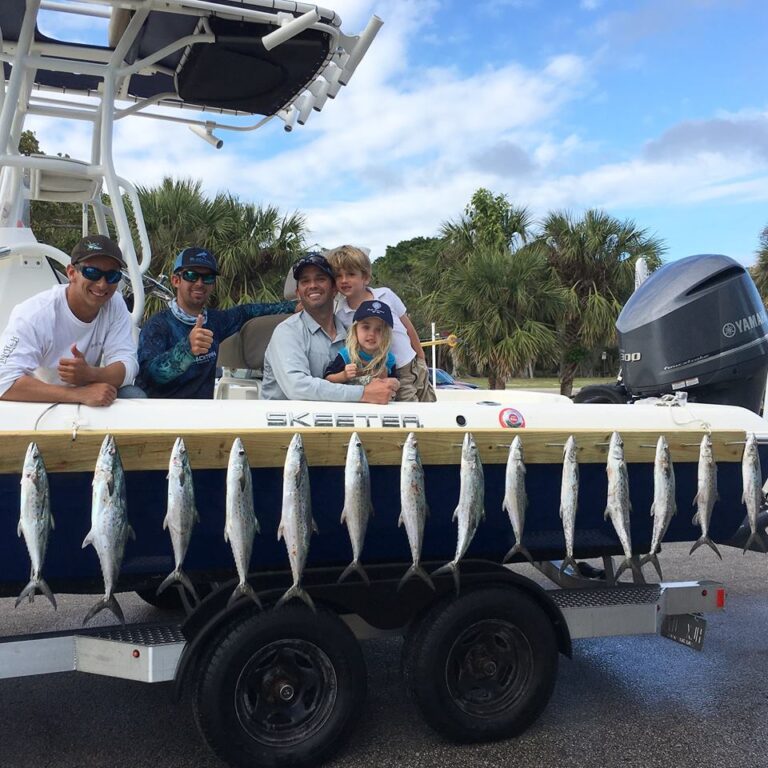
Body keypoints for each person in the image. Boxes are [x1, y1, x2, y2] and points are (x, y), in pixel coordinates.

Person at [0, 234, 142, 407]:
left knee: (133, 394)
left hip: (90, 396)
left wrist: (90, 374)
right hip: (37, 402)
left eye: (112, 276)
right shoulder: (34, 314)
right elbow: (3, 383)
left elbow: (127, 365)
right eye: (92, 272)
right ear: (71, 273)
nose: (102, 284)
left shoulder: (114, 304)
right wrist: (79, 394)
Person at [137, 247, 296, 398]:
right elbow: (149, 376)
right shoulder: (158, 325)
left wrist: (294, 306)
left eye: (208, 277)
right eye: (191, 275)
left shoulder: (215, 321)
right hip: (161, 416)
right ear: (176, 280)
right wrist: (187, 350)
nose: (200, 283)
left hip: (204, 417)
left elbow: (247, 311)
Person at [261, 252, 399, 403]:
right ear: (298, 293)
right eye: (305, 281)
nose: (313, 285)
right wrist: (363, 393)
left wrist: (387, 383)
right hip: (283, 424)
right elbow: (297, 387)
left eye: (320, 279)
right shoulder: (286, 332)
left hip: (332, 423)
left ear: (334, 289)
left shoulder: (351, 336)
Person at [325, 244, 436, 402]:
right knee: (408, 407)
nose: (344, 280)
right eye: (338, 276)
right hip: (385, 369)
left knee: (429, 402)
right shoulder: (341, 313)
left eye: (351, 274)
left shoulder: (386, 295)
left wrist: (421, 356)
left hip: (410, 362)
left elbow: (408, 326)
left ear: (365, 277)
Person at [324, 300, 397, 385]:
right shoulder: (347, 355)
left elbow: (396, 386)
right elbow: (327, 378)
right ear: (355, 329)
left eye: (379, 329)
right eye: (366, 327)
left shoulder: (388, 359)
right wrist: (343, 375)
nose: (372, 334)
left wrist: (387, 379)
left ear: (386, 335)